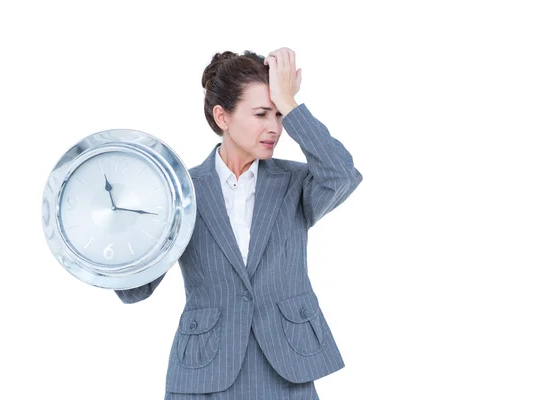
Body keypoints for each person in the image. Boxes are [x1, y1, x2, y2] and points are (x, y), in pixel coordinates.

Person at [114, 47, 363, 399]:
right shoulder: (181, 191)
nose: (275, 127)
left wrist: (290, 102)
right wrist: (125, 223)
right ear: (222, 117)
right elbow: (135, 290)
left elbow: (342, 174)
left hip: (287, 369)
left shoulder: (295, 184)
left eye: (279, 115)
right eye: (262, 113)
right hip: (205, 373)